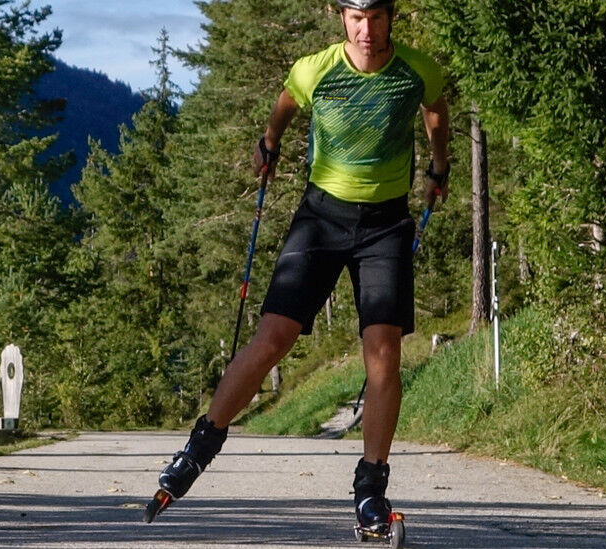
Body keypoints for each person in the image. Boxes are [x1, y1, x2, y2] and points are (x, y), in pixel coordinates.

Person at [149, 0, 450, 535]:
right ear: (342, 18)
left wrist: (439, 164)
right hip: (321, 216)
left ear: (391, 18)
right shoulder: (316, 69)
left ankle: (370, 493)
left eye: (376, 17)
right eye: (356, 17)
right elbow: (286, 104)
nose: (366, 29)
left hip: (386, 223)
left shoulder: (416, 71)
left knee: (383, 353)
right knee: (273, 338)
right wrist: (269, 142)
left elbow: (435, 109)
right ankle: (197, 449)